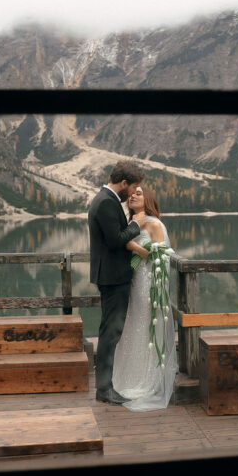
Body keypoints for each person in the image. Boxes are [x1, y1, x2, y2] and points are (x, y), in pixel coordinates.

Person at [113, 185, 177, 410]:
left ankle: (147, 378)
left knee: (145, 323)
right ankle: (128, 377)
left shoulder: (154, 224)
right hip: (133, 279)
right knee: (132, 324)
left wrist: (132, 245)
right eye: (131, 194)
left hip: (148, 281)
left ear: (147, 199)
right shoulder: (130, 222)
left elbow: (159, 255)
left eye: (138, 194)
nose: (132, 196)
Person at [88, 161, 146, 404]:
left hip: (110, 276)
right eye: (133, 187)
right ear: (123, 183)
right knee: (110, 333)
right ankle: (104, 389)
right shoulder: (106, 203)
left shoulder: (105, 199)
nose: (133, 193)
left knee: (110, 332)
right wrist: (136, 225)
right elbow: (115, 240)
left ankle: (105, 387)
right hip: (113, 278)